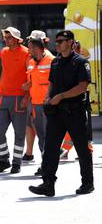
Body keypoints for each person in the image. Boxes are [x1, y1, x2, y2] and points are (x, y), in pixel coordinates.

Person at [29, 30, 94, 197]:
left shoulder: (80, 62)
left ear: (70, 42)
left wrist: (61, 96)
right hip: (56, 113)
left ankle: (87, 183)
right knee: (50, 148)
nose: (56, 44)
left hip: (75, 113)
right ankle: (48, 184)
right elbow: (51, 82)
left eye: (61, 41)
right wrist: (48, 96)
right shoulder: (56, 62)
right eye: (56, 41)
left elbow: (82, 86)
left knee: (82, 149)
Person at [0, 27, 30, 174]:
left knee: (19, 133)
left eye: (9, 37)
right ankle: (4, 160)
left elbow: (30, 76)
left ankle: (17, 163)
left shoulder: (26, 53)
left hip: (19, 98)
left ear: (16, 38)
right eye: (5, 36)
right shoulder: (3, 53)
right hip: (2, 96)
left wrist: (27, 97)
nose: (6, 39)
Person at [22, 31, 54, 176]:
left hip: (47, 105)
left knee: (48, 136)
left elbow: (55, 83)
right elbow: (33, 80)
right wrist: (27, 89)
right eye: (29, 47)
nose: (30, 50)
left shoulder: (52, 60)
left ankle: (48, 165)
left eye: (32, 47)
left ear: (41, 46)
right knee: (41, 136)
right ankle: (45, 164)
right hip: (35, 104)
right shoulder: (30, 61)